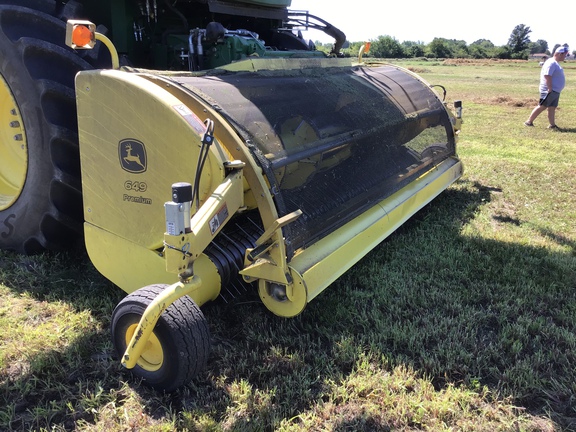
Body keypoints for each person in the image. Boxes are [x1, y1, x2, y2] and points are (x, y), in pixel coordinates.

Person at [524, 46, 568, 129]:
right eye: (564, 55)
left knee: (552, 107)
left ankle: (552, 125)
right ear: (559, 54)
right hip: (550, 90)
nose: (565, 56)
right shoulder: (551, 63)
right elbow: (547, 75)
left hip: (555, 90)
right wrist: (549, 88)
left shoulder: (555, 63)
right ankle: (528, 122)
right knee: (542, 106)